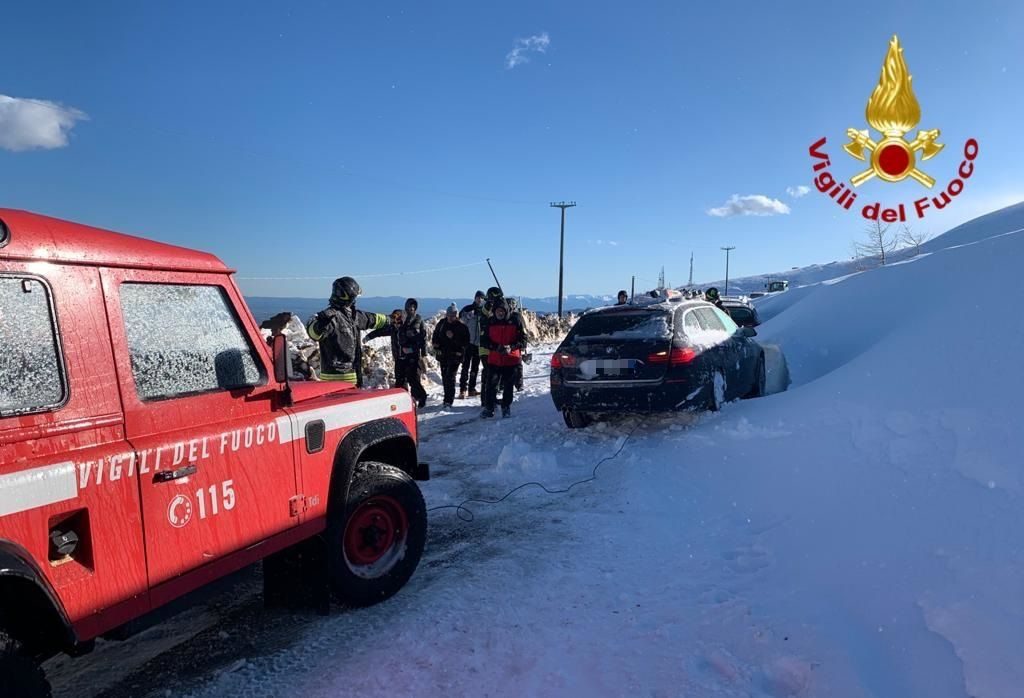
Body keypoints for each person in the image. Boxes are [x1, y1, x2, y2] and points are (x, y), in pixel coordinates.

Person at [306, 276, 388, 385]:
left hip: (344, 378)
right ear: (350, 298)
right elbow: (314, 333)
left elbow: (373, 319)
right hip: (337, 381)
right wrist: (321, 323)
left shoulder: (353, 316)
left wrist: (391, 319)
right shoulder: (329, 318)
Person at [480, 298, 525, 418]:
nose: (500, 313)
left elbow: (523, 340)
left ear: (506, 311)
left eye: (502, 311)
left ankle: (506, 406)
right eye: (498, 311)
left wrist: (511, 347)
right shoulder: (490, 322)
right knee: (490, 385)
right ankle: (489, 408)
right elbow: (483, 341)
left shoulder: (516, 320)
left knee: (508, 385)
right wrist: (495, 347)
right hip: (494, 359)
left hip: (511, 359)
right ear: (494, 311)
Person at [432, 304, 471, 407]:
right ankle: (447, 398)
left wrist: (453, 337)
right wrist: (435, 344)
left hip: (455, 355)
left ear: (456, 315)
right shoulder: (442, 324)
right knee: (445, 377)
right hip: (443, 355)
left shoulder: (461, 327)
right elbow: (435, 335)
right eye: (449, 315)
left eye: (453, 315)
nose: (451, 317)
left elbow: (465, 343)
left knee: (450, 377)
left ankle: (449, 400)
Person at [395, 297, 428, 407]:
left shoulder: (419, 320)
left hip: (413, 354)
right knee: (400, 379)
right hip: (400, 354)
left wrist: (423, 353)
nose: (411, 308)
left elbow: (423, 338)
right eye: (409, 306)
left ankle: (421, 397)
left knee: (413, 379)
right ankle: (401, 401)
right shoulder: (400, 320)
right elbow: (390, 330)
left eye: (413, 307)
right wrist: (370, 336)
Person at [364, 309, 404, 385]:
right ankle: (401, 389)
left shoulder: (407, 327)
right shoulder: (393, 328)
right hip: (398, 357)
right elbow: (380, 331)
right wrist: (369, 336)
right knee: (399, 378)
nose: (394, 321)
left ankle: (410, 391)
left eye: (396, 318)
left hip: (408, 357)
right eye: (393, 318)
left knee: (410, 378)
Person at [458, 290, 486, 399]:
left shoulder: (484, 311)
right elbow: (460, 320)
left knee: (475, 367)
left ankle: (471, 389)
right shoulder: (468, 308)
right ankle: (463, 389)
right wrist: (468, 316)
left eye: (482, 298)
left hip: (478, 344)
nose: (480, 299)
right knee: (465, 367)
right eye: (478, 297)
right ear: (475, 298)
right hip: (468, 343)